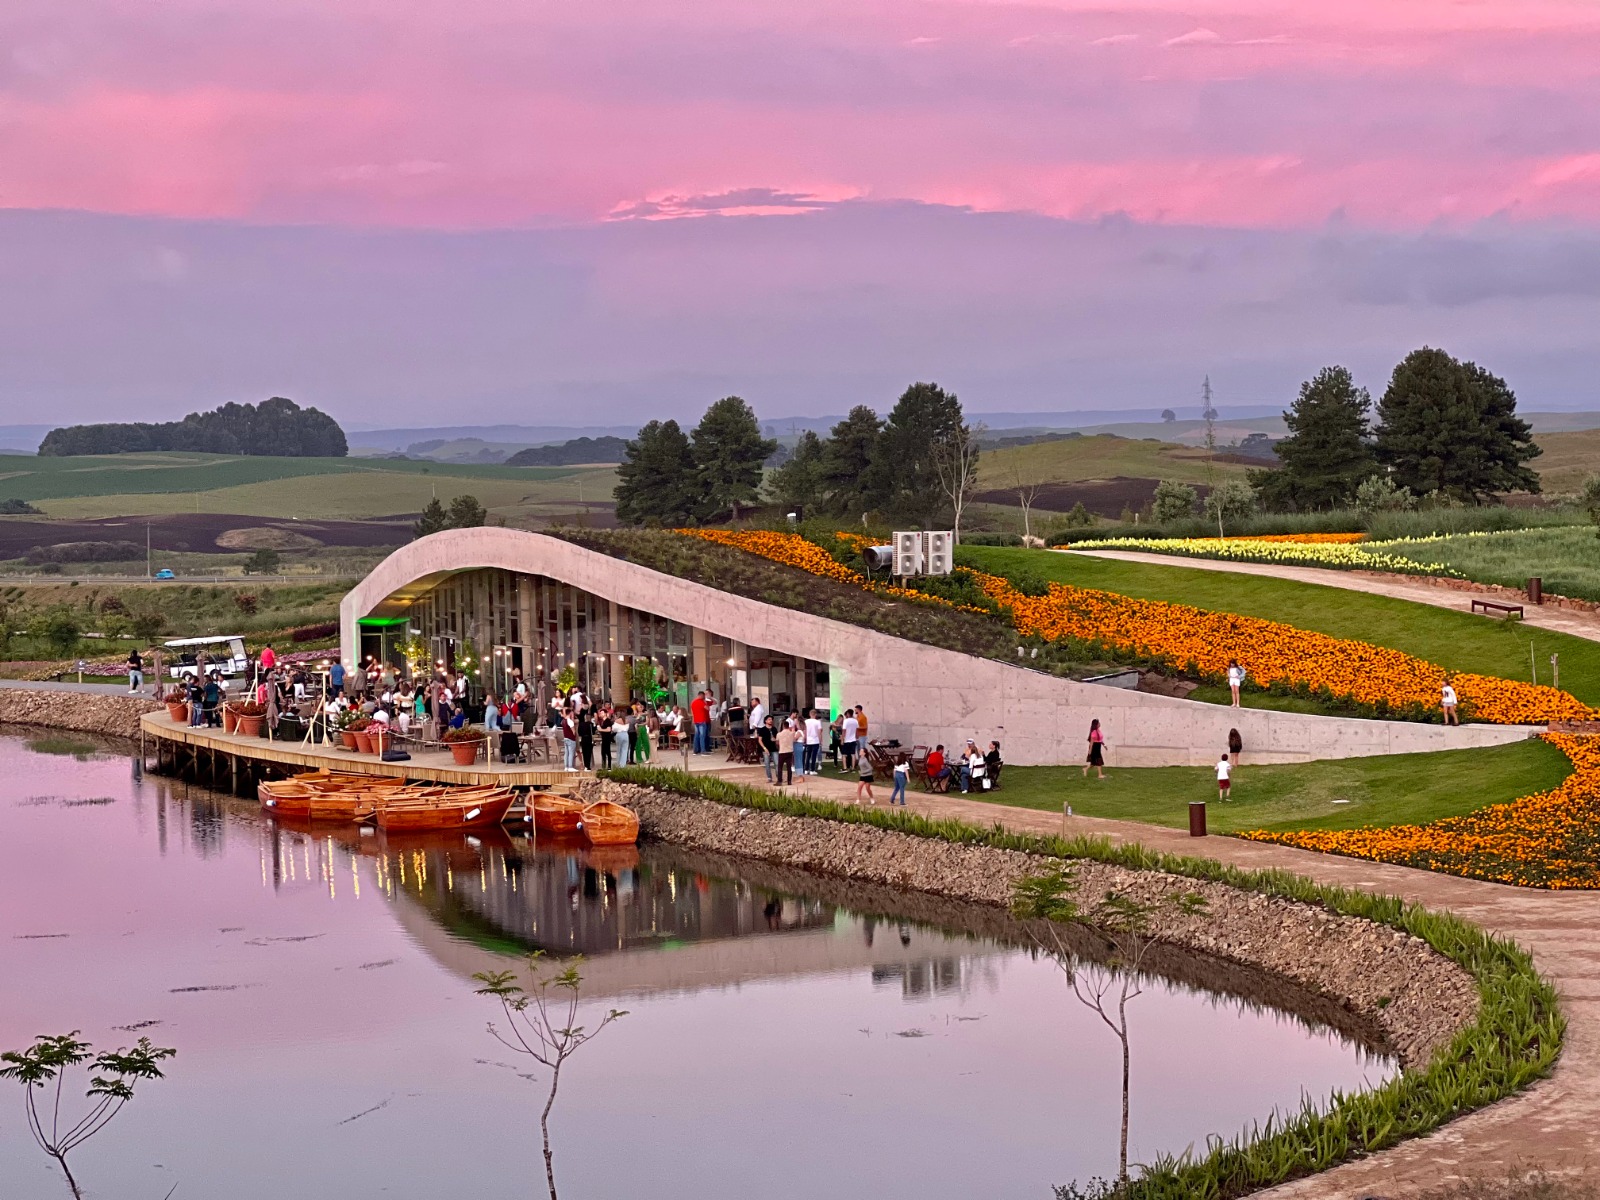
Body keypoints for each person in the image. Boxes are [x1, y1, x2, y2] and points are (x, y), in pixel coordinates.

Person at [802, 708, 823, 776]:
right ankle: (812, 769)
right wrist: (820, 740)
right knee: (813, 756)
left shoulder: (806, 721)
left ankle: (806, 769)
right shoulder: (817, 722)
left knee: (808, 756)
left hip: (808, 740)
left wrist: (804, 739)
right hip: (815, 740)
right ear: (815, 714)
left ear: (809, 714)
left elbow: (805, 731)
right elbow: (819, 732)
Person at [758, 716, 779, 782]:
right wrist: (764, 748)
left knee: (777, 763)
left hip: (774, 748)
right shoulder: (762, 729)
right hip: (766, 749)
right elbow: (760, 740)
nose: (771, 721)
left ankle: (779, 777)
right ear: (765, 721)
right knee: (767, 763)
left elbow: (777, 739)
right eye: (769, 719)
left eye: (771, 719)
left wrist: (775, 740)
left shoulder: (774, 729)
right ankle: (769, 777)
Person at [775, 720, 796, 785]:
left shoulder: (779, 734)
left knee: (780, 767)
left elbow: (777, 743)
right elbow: (794, 739)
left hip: (782, 751)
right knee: (789, 767)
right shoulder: (792, 733)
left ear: (783, 726)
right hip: (790, 751)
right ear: (788, 726)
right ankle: (789, 781)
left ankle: (779, 781)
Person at [841, 707, 860, 773]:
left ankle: (845, 767)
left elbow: (844, 731)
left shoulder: (846, 721)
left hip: (847, 740)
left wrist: (842, 739)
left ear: (848, 714)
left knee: (844, 754)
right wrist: (857, 737)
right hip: (853, 739)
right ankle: (853, 767)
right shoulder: (855, 721)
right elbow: (857, 730)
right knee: (853, 754)